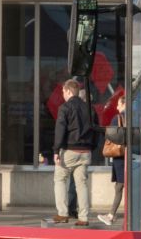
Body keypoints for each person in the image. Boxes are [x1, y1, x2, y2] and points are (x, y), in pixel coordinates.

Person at [49, 78, 100, 226]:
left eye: (63, 91)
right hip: (85, 151)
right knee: (81, 184)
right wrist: (92, 147)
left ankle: (62, 213)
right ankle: (83, 217)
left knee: (60, 179)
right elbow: (96, 130)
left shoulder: (65, 108)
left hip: (69, 150)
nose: (62, 94)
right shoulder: (90, 109)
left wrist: (56, 150)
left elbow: (60, 130)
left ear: (69, 91)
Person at [97, 91, 125, 227]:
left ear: (124, 104)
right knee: (123, 185)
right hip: (133, 156)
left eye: (119, 104)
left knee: (119, 185)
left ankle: (111, 215)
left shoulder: (117, 118)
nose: (117, 107)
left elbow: (111, 136)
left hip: (120, 157)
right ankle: (112, 215)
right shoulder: (136, 117)